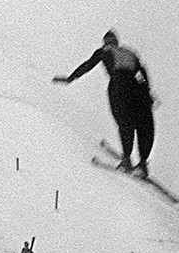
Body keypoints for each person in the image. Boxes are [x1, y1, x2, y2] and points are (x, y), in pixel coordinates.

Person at [53, 30, 156, 176]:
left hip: (120, 85)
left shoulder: (105, 51)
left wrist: (71, 78)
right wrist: (147, 93)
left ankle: (127, 160)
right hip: (138, 88)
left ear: (107, 42)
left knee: (125, 121)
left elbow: (89, 64)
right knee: (144, 123)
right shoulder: (129, 52)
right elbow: (142, 74)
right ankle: (143, 164)